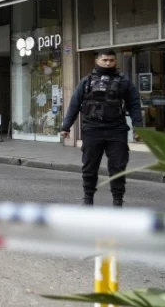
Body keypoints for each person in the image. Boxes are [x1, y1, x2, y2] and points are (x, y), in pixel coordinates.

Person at [60, 50, 142, 207]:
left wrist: (139, 128)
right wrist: (66, 127)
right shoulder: (86, 81)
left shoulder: (124, 81)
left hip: (116, 130)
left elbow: (134, 105)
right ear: (96, 60)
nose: (108, 63)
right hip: (92, 129)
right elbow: (74, 105)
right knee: (90, 167)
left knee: (118, 168)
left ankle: (118, 201)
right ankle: (88, 199)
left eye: (111, 60)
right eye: (105, 60)